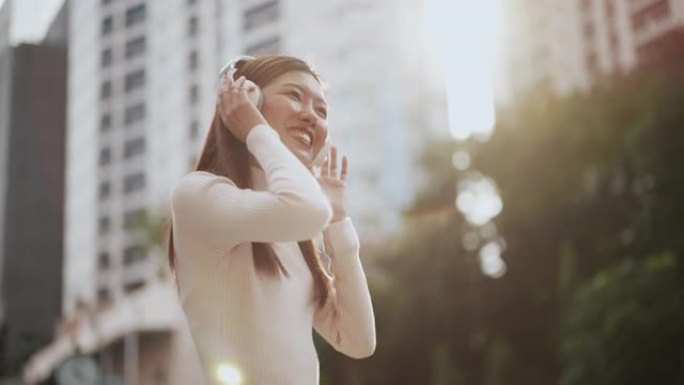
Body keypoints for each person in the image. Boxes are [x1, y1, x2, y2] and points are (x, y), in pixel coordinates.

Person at [168, 54, 376, 385]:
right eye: (295, 96)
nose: (311, 116)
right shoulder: (198, 194)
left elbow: (359, 340)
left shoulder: (294, 230)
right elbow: (308, 210)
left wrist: (338, 222)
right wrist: (255, 128)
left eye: (322, 111)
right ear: (248, 100)